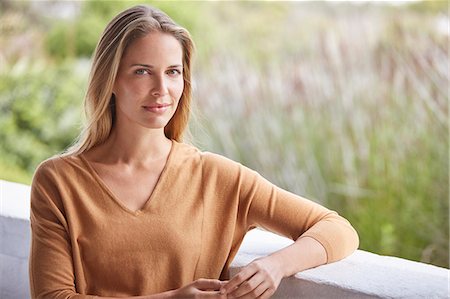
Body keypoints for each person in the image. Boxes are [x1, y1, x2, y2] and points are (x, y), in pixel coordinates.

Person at [29, 4, 359, 299]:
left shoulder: (217, 177)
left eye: (173, 72)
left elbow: (336, 228)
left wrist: (275, 265)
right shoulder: (59, 181)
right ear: (111, 79)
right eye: (142, 71)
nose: (162, 89)